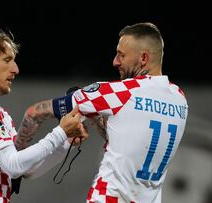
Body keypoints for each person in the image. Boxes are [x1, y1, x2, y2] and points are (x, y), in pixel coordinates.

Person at [15, 22, 188, 203]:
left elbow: (34, 112)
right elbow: (128, 140)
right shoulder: (179, 99)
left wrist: (16, 166)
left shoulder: (119, 93)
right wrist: (98, 120)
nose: (115, 61)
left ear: (143, 58)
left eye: (121, 55)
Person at [0, 27, 88, 203]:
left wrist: (66, 142)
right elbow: (13, 166)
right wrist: (59, 132)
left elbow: (26, 170)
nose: (15, 69)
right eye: (7, 60)